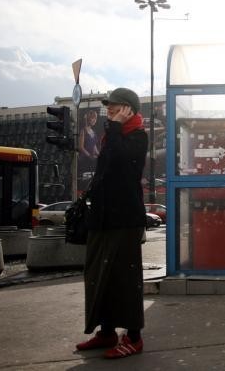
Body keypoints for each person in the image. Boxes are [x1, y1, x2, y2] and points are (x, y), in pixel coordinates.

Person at [75, 88, 148, 359]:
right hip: (103, 217)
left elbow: (120, 161)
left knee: (125, 278)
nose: (110, 110)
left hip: (125, 218)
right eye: (109, 106)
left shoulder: (138, 136)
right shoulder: (111, 135)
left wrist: (116, 127)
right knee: (98, 275)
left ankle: (134, 336)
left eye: (115, 106)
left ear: (129, 109)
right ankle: (106, 331)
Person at [78, 109, 100, 174]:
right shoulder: (83, 130)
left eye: (95, 119)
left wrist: (99, 155)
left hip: (92, 159)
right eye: (92, 118)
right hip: (84, 159)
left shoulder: (93, 131)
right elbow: (81, 147)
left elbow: (94, 145)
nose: (94, 120)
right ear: (88, 119)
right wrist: (90, 156)